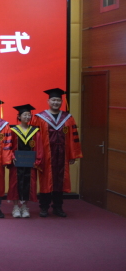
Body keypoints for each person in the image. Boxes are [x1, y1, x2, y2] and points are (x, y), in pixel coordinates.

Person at [31, 88, 82, 217]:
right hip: (46, 156)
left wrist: (72, 155)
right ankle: (44, 207)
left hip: (62, 156)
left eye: (58, 100)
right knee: (46, 181)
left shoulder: (68, 118)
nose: (56, 102)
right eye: (53, 100)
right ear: (48, 101)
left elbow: (73, 138)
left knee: (60, 181)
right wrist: (36, 156)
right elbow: (34, 139)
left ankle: (58, 207)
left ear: (62, 102)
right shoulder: (39, 118)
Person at [8, 104, 44, 218]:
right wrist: (11, 157)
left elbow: (39, 147)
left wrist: (37, 161)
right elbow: (8, 146)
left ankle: (24, 207)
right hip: (16, 163)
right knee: (15, 184)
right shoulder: (13, 130)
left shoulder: (35, 131)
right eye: (25, 115)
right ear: (19, 116)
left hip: (30, 164)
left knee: (29, 184)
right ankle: (15, 207)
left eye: (29, 115)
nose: (27, 117)